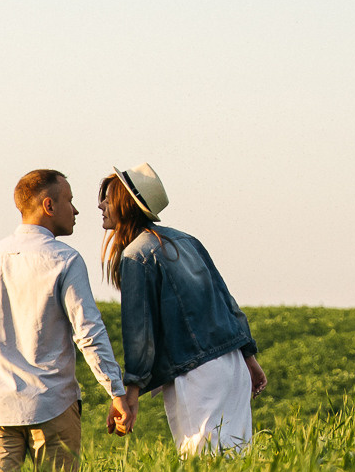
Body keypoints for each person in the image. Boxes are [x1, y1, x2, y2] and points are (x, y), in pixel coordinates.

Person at [0, 168, 137, 472]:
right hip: (53, 405)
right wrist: (115, 391)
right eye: (70, 200)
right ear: (49, 206)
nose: (77, 210)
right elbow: (88, 332)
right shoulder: (65, 259)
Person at [99, 162, 267, 454]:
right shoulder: (185, 240)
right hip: (232, 366)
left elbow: (139, 332)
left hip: (197, 374)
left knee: (201, 465)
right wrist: (249, 357)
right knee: (238, 458)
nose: (101, 204)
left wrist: (132, 391)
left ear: (125, 205)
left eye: (108, 197)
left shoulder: (137, 255)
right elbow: (226, 300)